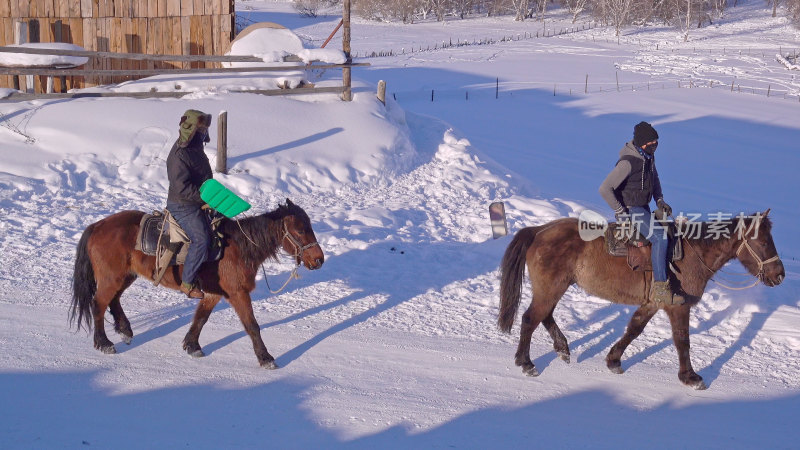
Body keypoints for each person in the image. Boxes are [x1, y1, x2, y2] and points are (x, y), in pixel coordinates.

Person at [598, 121, 684, 305]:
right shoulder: (628, 163)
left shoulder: (648, 158)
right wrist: (621, 213)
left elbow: (655, 179)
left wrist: (659, 200)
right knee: (660, 237)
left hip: (644, 207)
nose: (656, 146)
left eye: (657, 143)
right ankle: (660, 289)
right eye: (652, 143)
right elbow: (605, 189)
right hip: (632, 209)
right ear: (642, 143)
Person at [166, 110, 213, 299]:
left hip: (199, 199)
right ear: (190, 129)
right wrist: (205, 198)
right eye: (200, 129)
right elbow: (182, 188)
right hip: (183, 204)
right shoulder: (179, 155)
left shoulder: (196, 149)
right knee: (201, 238)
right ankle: (187, 283)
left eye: (204, 129)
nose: (203, 133)